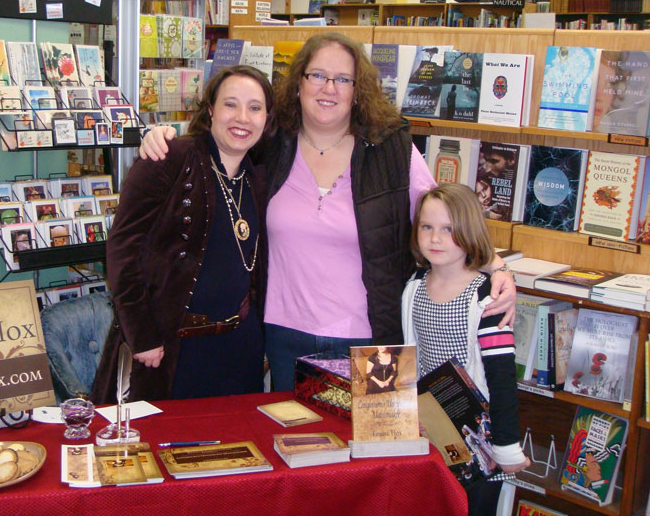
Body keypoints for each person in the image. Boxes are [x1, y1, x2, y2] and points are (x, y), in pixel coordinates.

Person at [140, 32, 517, 392]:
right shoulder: (271, 145)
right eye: (318, 75)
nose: (329, 88)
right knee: (299, 445)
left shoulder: (391, 151)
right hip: (284, 334)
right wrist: (164, 139)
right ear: (299, 83)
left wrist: (496, 267)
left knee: (373, 448)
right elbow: (218, 145)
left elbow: (445, 218)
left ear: (358, 91)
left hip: (373, 337)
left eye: (343, 79)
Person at [92, 65, 274, 402]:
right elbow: (122, 250)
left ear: (267, 118)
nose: (243, 118)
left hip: (240, 351)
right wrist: (141, 334)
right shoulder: (169, 159)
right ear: (210, 110)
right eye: (230, 104)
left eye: (255, 108)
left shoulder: (259, 177)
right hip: (168, 352)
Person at [402, 183, 529, 515]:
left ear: (469, 230)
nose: (435, 238)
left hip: (478, 441)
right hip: (430, 432)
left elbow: (502, 377)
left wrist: (506, 446)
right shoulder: (414, 287)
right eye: (427, 227)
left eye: (448, 229)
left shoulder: (487, 297)